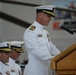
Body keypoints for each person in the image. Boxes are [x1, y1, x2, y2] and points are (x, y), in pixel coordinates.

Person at [23, 5, 60, 75]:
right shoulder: (30, 32)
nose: (50, 19)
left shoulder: (45, 32)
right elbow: (36, 50)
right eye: (48, 16)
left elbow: (52, 48)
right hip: (35, 72)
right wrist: (54, 58)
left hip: (46, 71)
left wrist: (62, 56)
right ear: (40, 15)